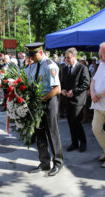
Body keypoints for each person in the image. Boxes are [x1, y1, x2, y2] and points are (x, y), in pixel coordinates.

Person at [25, 42, 63, 176]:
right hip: (37, 104)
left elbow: (57, 89)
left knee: (52, 132)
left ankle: (58, 162)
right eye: (29, 54)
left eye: (32, 54)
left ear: (40, 52)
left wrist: (40, 100)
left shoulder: (50, 66)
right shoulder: (34, 66)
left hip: (49, 102)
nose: (30, 57)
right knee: (39, 133)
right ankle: (44, 162)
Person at [61, 47, 90, 152]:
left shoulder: (82, 68)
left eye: (68, 57)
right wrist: (63, 90)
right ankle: (74, 143)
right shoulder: (65, 68)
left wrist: (74, 92)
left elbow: (86, 83)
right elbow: (63, 82)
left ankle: (83, 142)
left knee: (76, 122)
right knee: (70, 122)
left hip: (77, 100)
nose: (66, 59)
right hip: (67, 99)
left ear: (75, 56)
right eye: (65, 57)